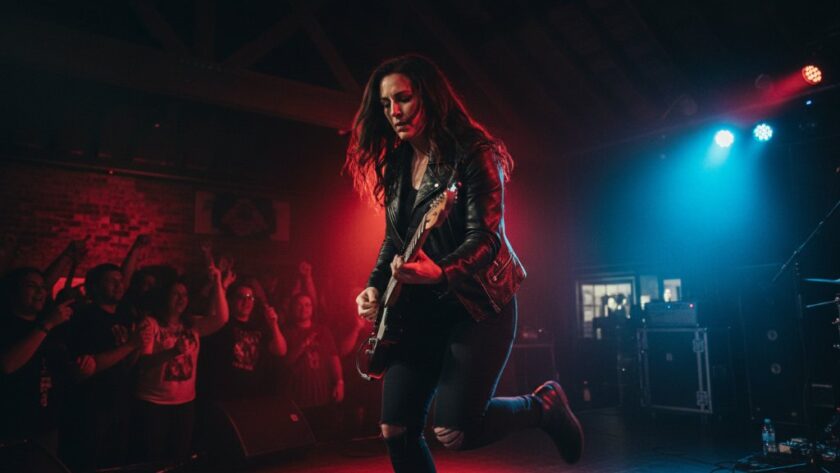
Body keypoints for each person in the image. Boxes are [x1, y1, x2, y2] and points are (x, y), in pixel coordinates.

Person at [344, 54, 583, 471]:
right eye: (385, 104)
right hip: (419, 311)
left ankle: (543, 406)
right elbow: (393, 241)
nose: (394, 112)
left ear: (430, 97)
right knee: (395, 430)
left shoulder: (474, 153)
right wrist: (373, 287)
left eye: (403, 98)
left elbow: (486, 240)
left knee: (456, 433)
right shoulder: (399, 163)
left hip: (476, 307)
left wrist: (441, 272)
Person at [134, 263, 229, 464]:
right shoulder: (151, 323)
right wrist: (172, 352)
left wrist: (219, 281)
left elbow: (222, 318)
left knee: (179, 458)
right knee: (153, 459)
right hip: (154, 403)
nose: (181, 299)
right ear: (164, 297)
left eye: (184, 295)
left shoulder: (192, 324)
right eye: (176, 294)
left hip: (185, 403)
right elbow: (143, 363)